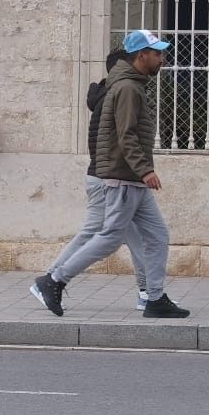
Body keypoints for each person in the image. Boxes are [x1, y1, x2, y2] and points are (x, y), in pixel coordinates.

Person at [32, 30, 189, 319]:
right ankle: (54, 280)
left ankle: (154, 298)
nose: (161, 59)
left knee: (157, 235)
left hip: (130, 179)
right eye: (157, 53)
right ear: (141, 55)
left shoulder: (131, 85)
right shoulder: (128, 88)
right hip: (123, 177)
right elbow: (125, 135)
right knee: (109, 238)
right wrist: (146, 170)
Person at [46, 47, 154, 309]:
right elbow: (123, 139)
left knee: (108, 234)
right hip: (112, 180)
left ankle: (50, 279)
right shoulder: (119, 95)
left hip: (106, 178)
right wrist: (143, 171)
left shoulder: (108, 95)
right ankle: (147, 293)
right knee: (115, 236)